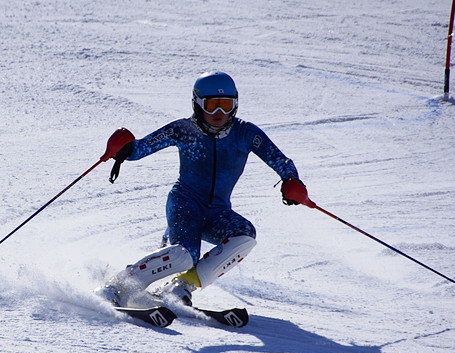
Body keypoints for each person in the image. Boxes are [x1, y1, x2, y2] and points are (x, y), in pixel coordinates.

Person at [95, 71, 309, 307]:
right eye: (212, 105)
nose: (220, 113)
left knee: (245, 235)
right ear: (198, 103)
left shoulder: (246, 133)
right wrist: (124, 149)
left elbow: (280, 159)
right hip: (185, 204)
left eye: (226, 105)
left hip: (217, 212)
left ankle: (181, 286)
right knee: (185, 256)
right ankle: (116, 286)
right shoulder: (183, 129)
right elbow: (142, 147)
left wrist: (291, 180)